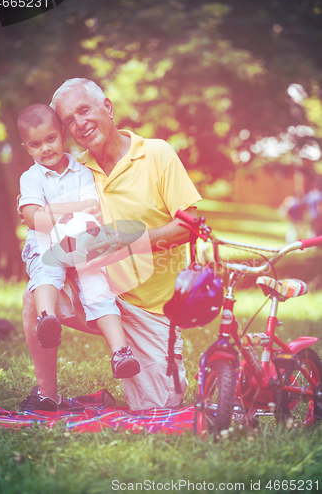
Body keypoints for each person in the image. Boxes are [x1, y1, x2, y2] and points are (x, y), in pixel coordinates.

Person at [19, 78, 201, 411]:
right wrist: (37, 213)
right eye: (70, 121)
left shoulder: (157, 153)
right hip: (97, 291)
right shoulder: (75, 170)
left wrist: (128, 242)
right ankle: (47, 394)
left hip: (151, 309)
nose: (80, 124)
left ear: (108, 107)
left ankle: (140, 359)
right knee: (37, 293)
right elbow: (41, 216)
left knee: (161, 403)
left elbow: (189, 228)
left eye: (84, 110)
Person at [18, 103, 140, 411]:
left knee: (98, 289)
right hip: (47, 245)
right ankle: (47, 321)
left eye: (50, 139)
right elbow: (35, 221)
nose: (45, 148)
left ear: (61, 135)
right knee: (47, 275)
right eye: (35, 144)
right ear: (25, 147)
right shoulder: (31, 178)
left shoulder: (82, 172)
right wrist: (68, 209)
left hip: (83, 244)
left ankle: (121, 352)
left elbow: (92, 208)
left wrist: (49, 210)